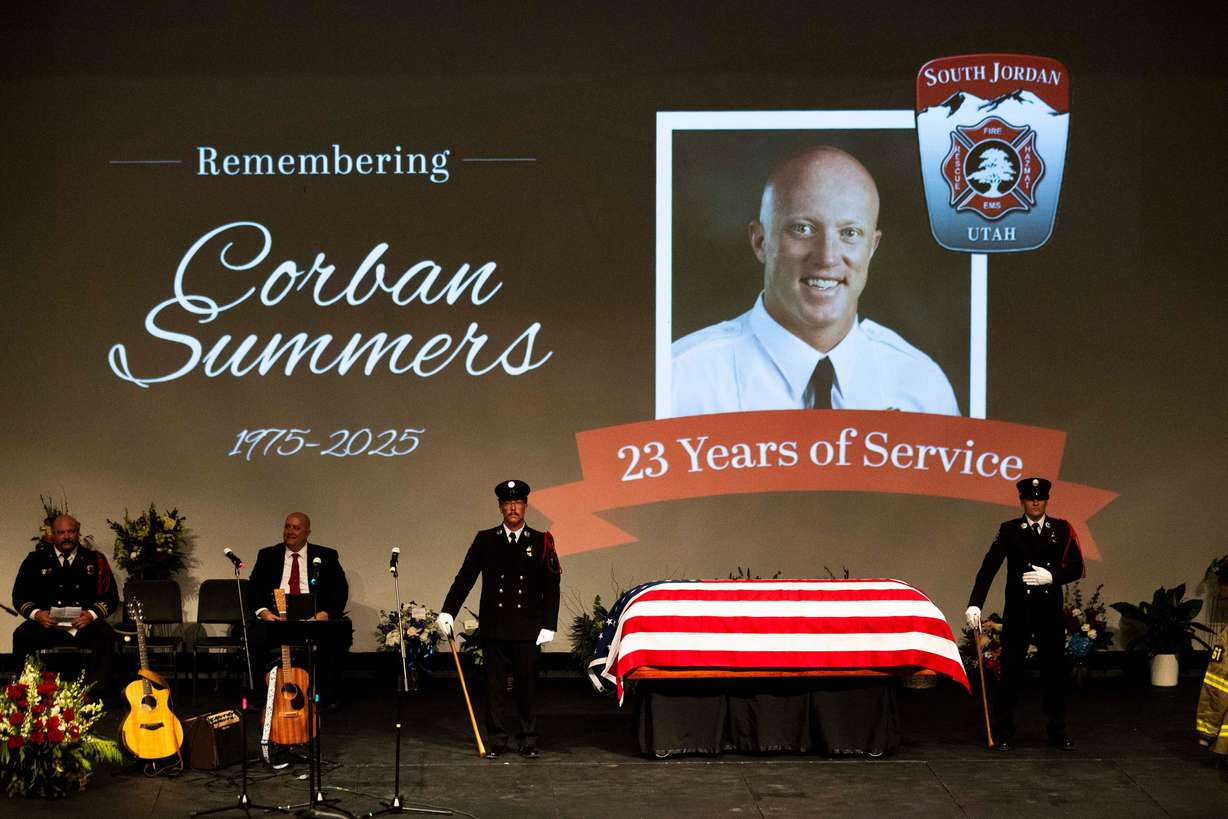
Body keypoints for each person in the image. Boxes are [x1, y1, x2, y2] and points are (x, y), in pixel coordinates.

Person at [671, 145, 959, 416]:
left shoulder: (922, 387)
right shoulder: (682, 381)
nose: (827, 257)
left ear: (871, 248)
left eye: (850, 233)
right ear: (760, 242)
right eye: (803, 228)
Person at [436, 480, 562, 759]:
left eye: (517, 503)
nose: (513, 507)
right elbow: (465, 578)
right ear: (501, 507)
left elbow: (551, 586)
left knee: (527, 687)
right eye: (507, 503)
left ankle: (528, 740)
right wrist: (448, 611)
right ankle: (497, 740)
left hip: (528, 628)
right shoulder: (486, 539)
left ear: (525, 506)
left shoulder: (541, 541)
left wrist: (549, 624)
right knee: (493, 688)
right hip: (495, 626)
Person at [966, 477, 1084, 751]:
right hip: (1019, 612)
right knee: (1010, 673)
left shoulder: (1061, 529)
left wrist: (1052, 577)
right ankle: (1004, 731)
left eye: (1040, 498)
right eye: (1030, 498)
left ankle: (1057, 731)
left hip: (1049, 613)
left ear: (1046, 500)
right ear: (1022, 501)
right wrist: (975, 603)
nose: (1035, 502)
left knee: (1053, 674)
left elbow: (1077, 568)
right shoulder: (1010, 530)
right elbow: (988, 569)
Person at [248, 512, 351, 709]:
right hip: (276, 618)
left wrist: (324, 614)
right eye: (287, 527)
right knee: (254, 636)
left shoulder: (326, 556)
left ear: (307, 532)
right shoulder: (268, 555)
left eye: (296, 528)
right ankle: (262, 698)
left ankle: (324, 696)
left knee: (336, 637)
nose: (290, 532)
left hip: (313, 618)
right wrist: (264, 613)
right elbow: (253, 588)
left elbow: (340, 590)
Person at [11, 515, 119, 696]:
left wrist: (91, 615)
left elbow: (111, 597)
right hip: (47, 624)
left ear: (78, 533)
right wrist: (37, 614)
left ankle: (96, 695)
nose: (66, 536)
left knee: (106, 635)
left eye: (71, 531)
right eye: (61, 532)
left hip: (83, 624)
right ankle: (27, 694)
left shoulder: (94, 560)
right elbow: (19, 596)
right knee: (22, 635)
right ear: (52, 535)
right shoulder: (36, 560)